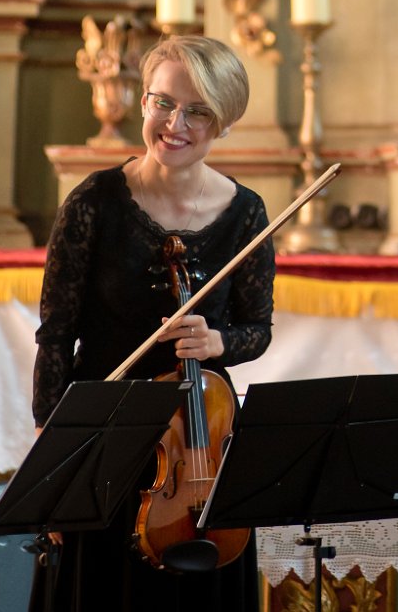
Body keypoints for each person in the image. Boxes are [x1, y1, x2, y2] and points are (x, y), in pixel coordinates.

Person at [30, 34, 273, 611]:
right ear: (143, 102)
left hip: (200, 443)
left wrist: (217, 342)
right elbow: (56, 335)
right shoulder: (93, 204)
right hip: (108, 436)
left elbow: (258, 329)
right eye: (163, 102)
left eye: (198, 111)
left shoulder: (247, 213)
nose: (175, 124)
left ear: (224, 123)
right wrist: (51, 458)